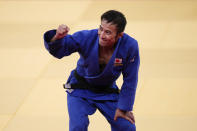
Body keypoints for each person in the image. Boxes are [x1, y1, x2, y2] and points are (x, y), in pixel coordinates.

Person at [44, 10, 140, 131]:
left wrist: (124, 108)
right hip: (80, 89)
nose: (102, 34)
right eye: (101, 28)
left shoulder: (130, 46)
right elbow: (60, 50)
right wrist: (57, 37)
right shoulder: (87, 37)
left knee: (127, 127)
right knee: (77, 127)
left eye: (108, 32)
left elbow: (130, 79)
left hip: (107, 91)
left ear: (119, 35)